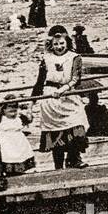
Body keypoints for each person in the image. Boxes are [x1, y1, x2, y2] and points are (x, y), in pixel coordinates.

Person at [32, 26, 88, 169]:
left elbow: (76, 78)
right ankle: (58, 165)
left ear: (67, 42)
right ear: (51, 44)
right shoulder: (46, 58)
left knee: (77, 124)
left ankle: (74, 159)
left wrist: (64, 89)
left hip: (68, 93)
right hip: (51, 96)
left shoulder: (74, 57)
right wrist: (32, 102)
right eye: (56, 44)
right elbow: (40, 80)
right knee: (56, 133)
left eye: (62, 43)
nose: (59, 47)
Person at [0, 96, 34, 174]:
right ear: (3, 110)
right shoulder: (0, 118)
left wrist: (30, 110)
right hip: (5, 142)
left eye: (15, 111)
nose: (13, 113)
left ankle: (18, 172)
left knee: (19, 158)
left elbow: (29, 120)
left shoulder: (19, 117)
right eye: (10, 111)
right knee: (6, 158)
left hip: (18, 141)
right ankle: (6, 172)